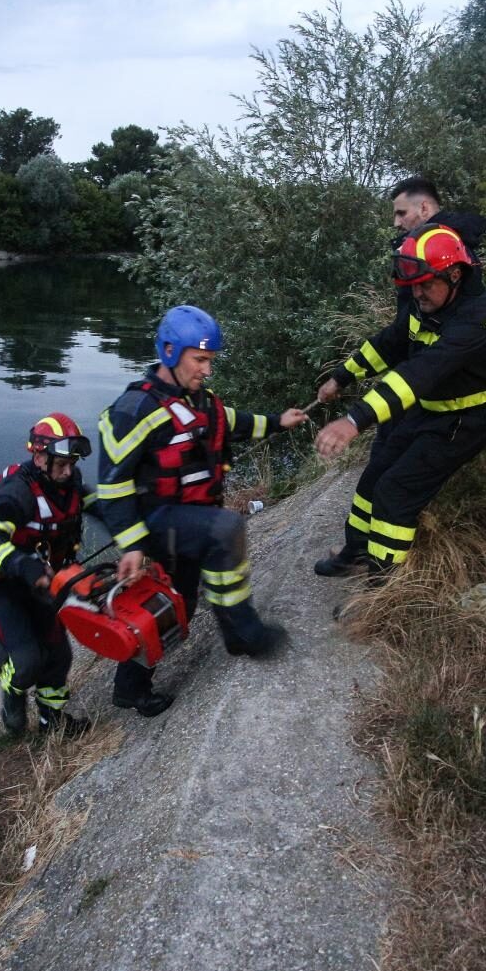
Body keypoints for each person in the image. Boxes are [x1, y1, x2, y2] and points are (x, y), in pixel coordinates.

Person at [96, 305, 309, 716]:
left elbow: (234, 422)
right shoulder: (134, 411)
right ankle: (241, 631)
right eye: (200, 360)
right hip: (158, 521)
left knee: (179, 603)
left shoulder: (200, 402)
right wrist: (133, 545)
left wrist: (279, 422)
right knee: (226, 529)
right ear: (170, 351)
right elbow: (112, 485)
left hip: (190, 519)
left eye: (210, 361)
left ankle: (130, 686)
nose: (207, 370)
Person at [311, 218, 486, 578]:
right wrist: (341, 377)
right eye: (412, 287)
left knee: (394, 492)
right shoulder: (430, 303)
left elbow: (419, 374)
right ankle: (356, 554)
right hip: (429, 409)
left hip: (465, 421)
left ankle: (382, 589)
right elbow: (391, 343)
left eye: (424, 285)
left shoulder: (476, 318)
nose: (417, 295)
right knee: (373, 479)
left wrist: (355, 420)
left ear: (454, 274)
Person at [0, 414, 98, 737]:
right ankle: (12, 688)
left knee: (59, 654)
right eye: (62, 464)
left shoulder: (71, 484)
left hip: (40, 582)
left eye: (73, 463)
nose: (69, 471)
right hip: (0, 585)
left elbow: (102, 507)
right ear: (39, 456)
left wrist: (133, 532)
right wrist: (27, 566)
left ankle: (52, 722)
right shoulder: (17, 492)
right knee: (27, 660)